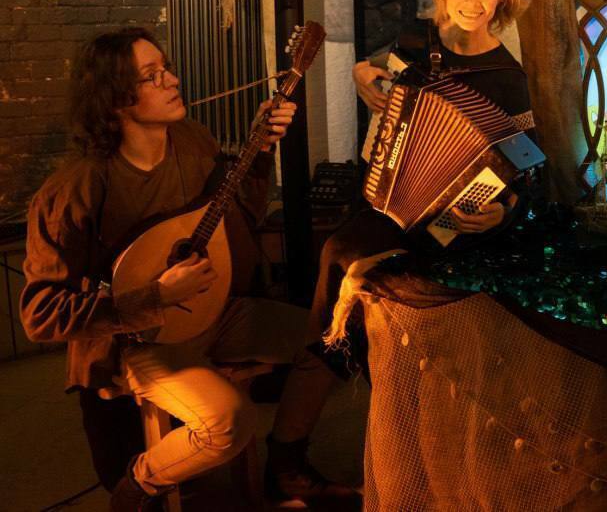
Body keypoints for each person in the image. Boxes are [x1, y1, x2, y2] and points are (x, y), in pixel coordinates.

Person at [21, 27, 357, 511]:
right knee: (230, 419)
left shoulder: (192, 139)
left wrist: (260, 149)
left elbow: (238, 218)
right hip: (138, 340)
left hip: (215, 309)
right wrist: (155, 297)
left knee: (334, 337)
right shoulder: (75, 190)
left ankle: (286, 465)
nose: (172, 80)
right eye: (151, 76)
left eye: (167, 68)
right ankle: (137, 486)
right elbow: (40, 315)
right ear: (114, 98)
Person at [299, 0, 537, 382]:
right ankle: (323, 367)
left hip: (453, 221)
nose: (472, 1)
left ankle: (337, 368)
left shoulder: (507, 77)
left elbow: (525, 169)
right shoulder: (415, 41)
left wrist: (502, 212)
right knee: (337, 250)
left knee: (374, 268)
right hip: (389, 196)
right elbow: (382, 79)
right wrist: (361, 74)